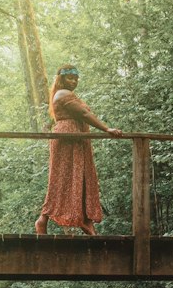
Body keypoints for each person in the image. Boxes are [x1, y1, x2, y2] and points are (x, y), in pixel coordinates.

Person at [34, 65, 123, 236]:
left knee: (82, 177)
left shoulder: (68, 94)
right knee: (62, 178)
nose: (74, 82)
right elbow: (84, 114)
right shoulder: (62, 94)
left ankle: (85, 221)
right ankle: (43, 219)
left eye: (76, 78)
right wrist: (106, 129)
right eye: (70, 78)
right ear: (61, 79)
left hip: (77, 139)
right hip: (68, 140)